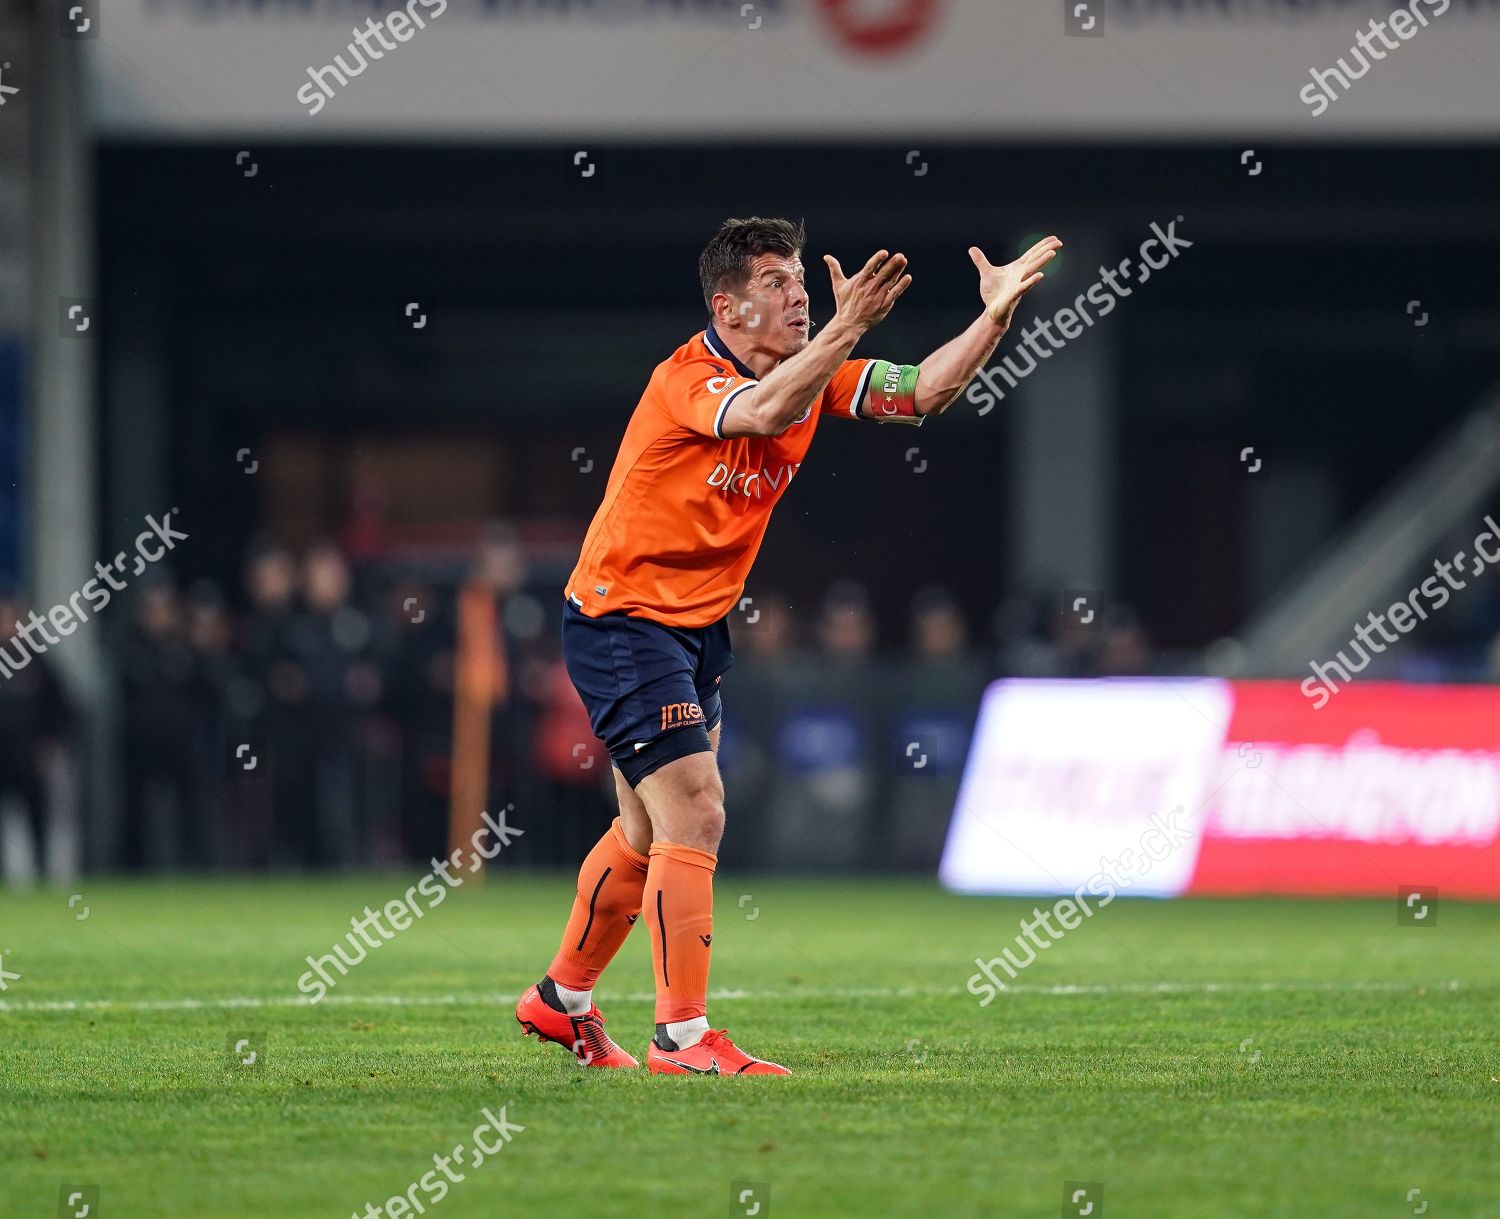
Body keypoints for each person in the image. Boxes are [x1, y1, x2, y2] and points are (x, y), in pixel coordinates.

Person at [515, 216, 1060, 1074]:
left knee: (643, 828)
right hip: (624, 616)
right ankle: (681, 1037)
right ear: (728, 309)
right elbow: (763, 411)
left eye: (800, 276)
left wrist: (993, 315)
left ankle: (560, 999)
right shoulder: (687, 377)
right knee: (697, 809)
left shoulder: (816, 377)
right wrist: (847, 327)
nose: (799, 292)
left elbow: (925, 393)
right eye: (776, 281)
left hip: (695, 627)